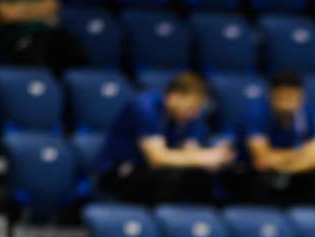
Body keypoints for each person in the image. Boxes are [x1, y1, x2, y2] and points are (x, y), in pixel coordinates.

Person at [95, 72, 234, 205]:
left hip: (152, 171)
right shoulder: (145, 108)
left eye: (198, 109)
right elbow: (157, 158)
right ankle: (160, 220)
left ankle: (199, 222)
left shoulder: (189, 118)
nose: (195, 114)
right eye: (192, 107)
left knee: (203, 175)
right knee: (170, 175)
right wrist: (205, 156)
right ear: (173, 97)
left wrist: (217, 157)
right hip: (120, 170)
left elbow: (191, 150)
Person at [238, 72, 315, 206]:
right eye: (283, 97)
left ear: (302, 96)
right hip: (249, 171)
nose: (288, 104)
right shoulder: (256, 112)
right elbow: (262, 158)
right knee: (262, 175)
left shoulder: (309, 112)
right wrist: (301, 155)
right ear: (271, 96)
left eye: (293, 97)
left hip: (294, 170)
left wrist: (286, 167)